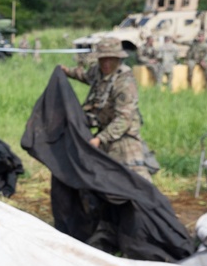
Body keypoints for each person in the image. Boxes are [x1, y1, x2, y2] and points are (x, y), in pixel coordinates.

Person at [61, 37, 151, 181]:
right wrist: (67, 71)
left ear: (118, 59)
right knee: (99, 176)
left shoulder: (124, 83)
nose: (106, 63)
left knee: (135, 181)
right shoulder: (98, 71)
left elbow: (124, 119)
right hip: (103, 133)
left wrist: (100, 139)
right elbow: (86, 76)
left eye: (111, 59)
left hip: (123, 138)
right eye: (103, 59)